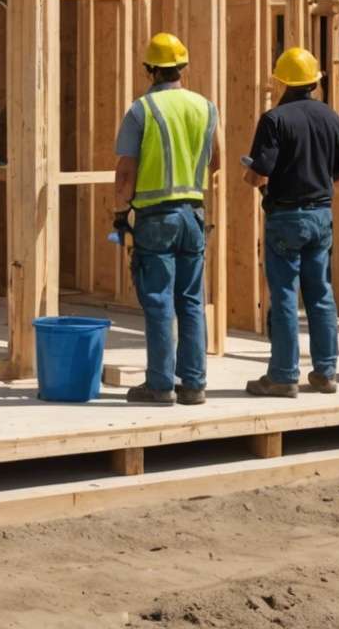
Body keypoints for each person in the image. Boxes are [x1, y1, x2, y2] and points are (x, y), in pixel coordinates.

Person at [110, 32, 219, 406]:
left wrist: (120, 212)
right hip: (194, 214)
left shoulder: (142, 110)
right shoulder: (206, 107)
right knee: (190, 300)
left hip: (157, 217)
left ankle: (159, 385)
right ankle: (194, 384)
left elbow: (126, 171)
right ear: (182, 69)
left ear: (150, 70)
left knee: (158, 302)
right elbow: (215, 161)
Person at [240, 47, 339, 398]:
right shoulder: (332, 117)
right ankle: (325, 373)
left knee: (286, 294)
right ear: (315, 81)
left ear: (281, 80)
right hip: (321, 215)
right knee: (320, 294)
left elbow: (258, 176)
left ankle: (284, 376)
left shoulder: (275, 119)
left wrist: (251, 172)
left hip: (287, 216)